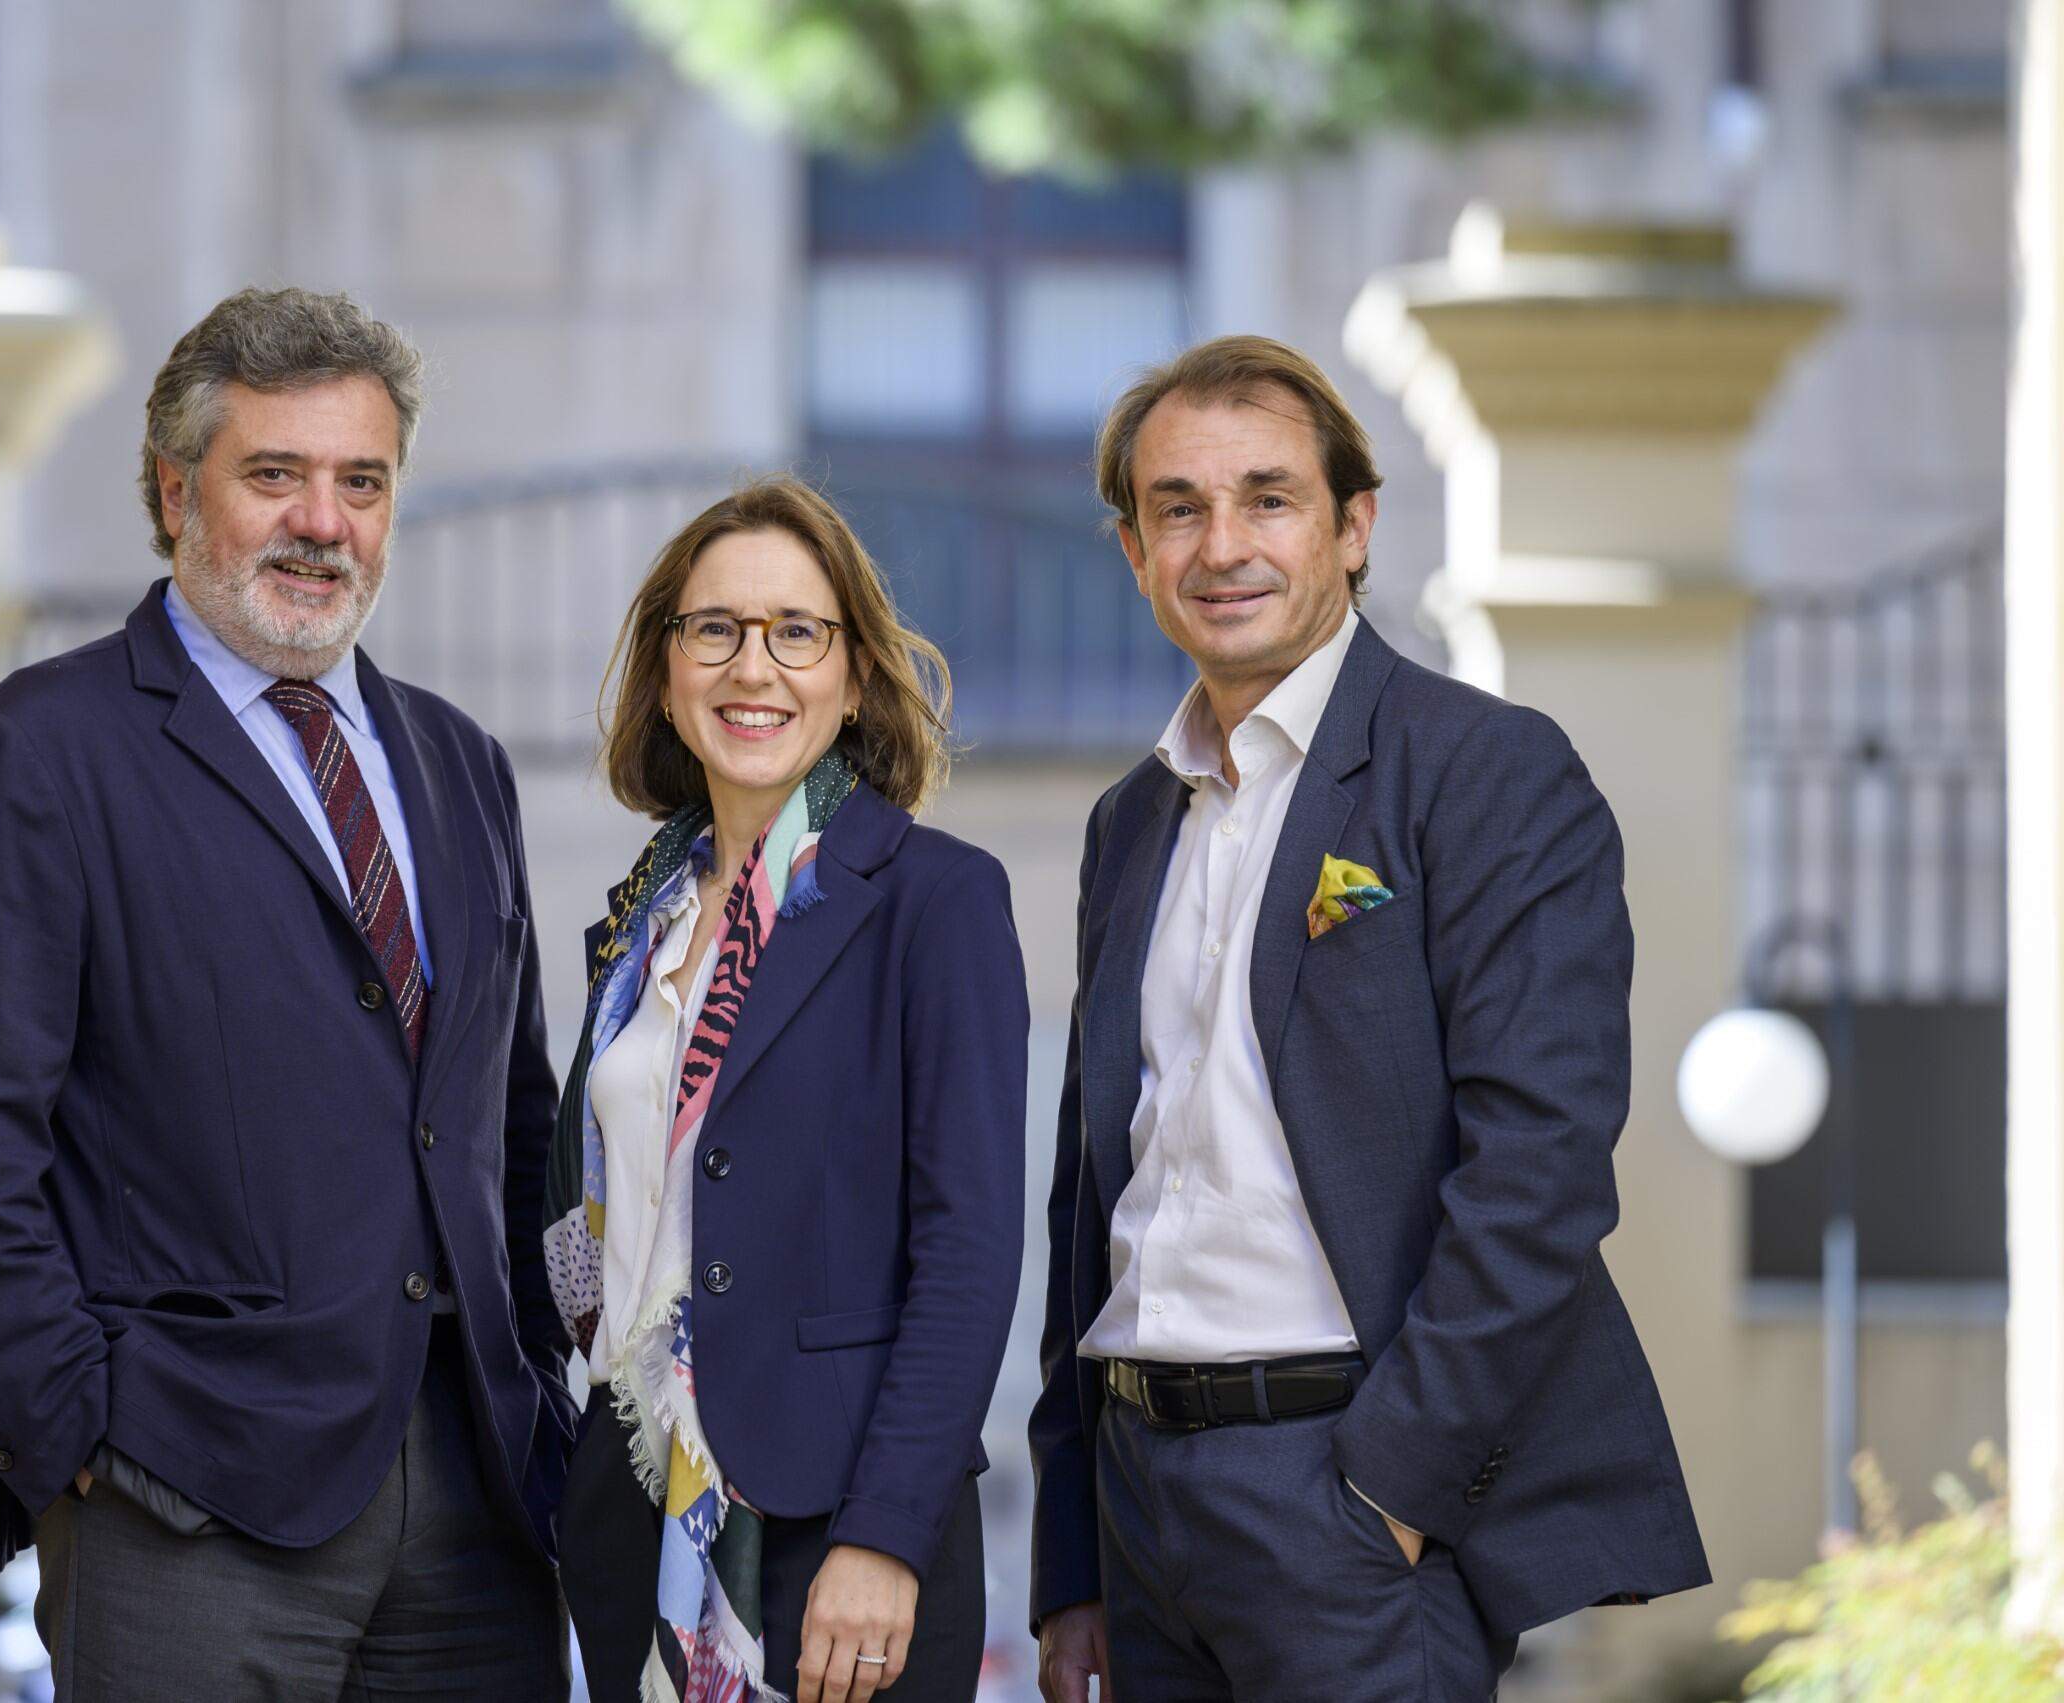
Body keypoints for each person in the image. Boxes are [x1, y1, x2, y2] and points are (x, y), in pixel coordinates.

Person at [0, 287, 571, 1699]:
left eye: (360, 482)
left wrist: (546, 1386)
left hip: (478, 1511)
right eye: (276, 474)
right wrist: (73, 1439)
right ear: (174, 488)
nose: (323, 521)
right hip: (184, 1497)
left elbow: (509, 1119)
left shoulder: (459, 764)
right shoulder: (40, 752)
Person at [1028, 336, 1711, 1701]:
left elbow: (1541, 1169)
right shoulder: (1130, 822)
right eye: (1179, 506)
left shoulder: (1485, 771)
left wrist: (1391, 1489)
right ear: (1133, 548)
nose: (1223, 543)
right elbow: (1094, 1194)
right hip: (1138, 1494)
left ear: (1354, 527)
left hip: (1339, 1492)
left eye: (1269, 498)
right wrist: (1072, 1562)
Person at [545, 476, 1028, 1703]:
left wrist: (885, 1530)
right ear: (666, 672)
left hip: (835, 1532)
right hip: (634, 1512)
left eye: (795, 632)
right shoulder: (638, 924)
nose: (750, 667)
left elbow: (966, 1250)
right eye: (713, 629)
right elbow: (587, 1214)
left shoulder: (936, 900)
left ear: (855, 674)